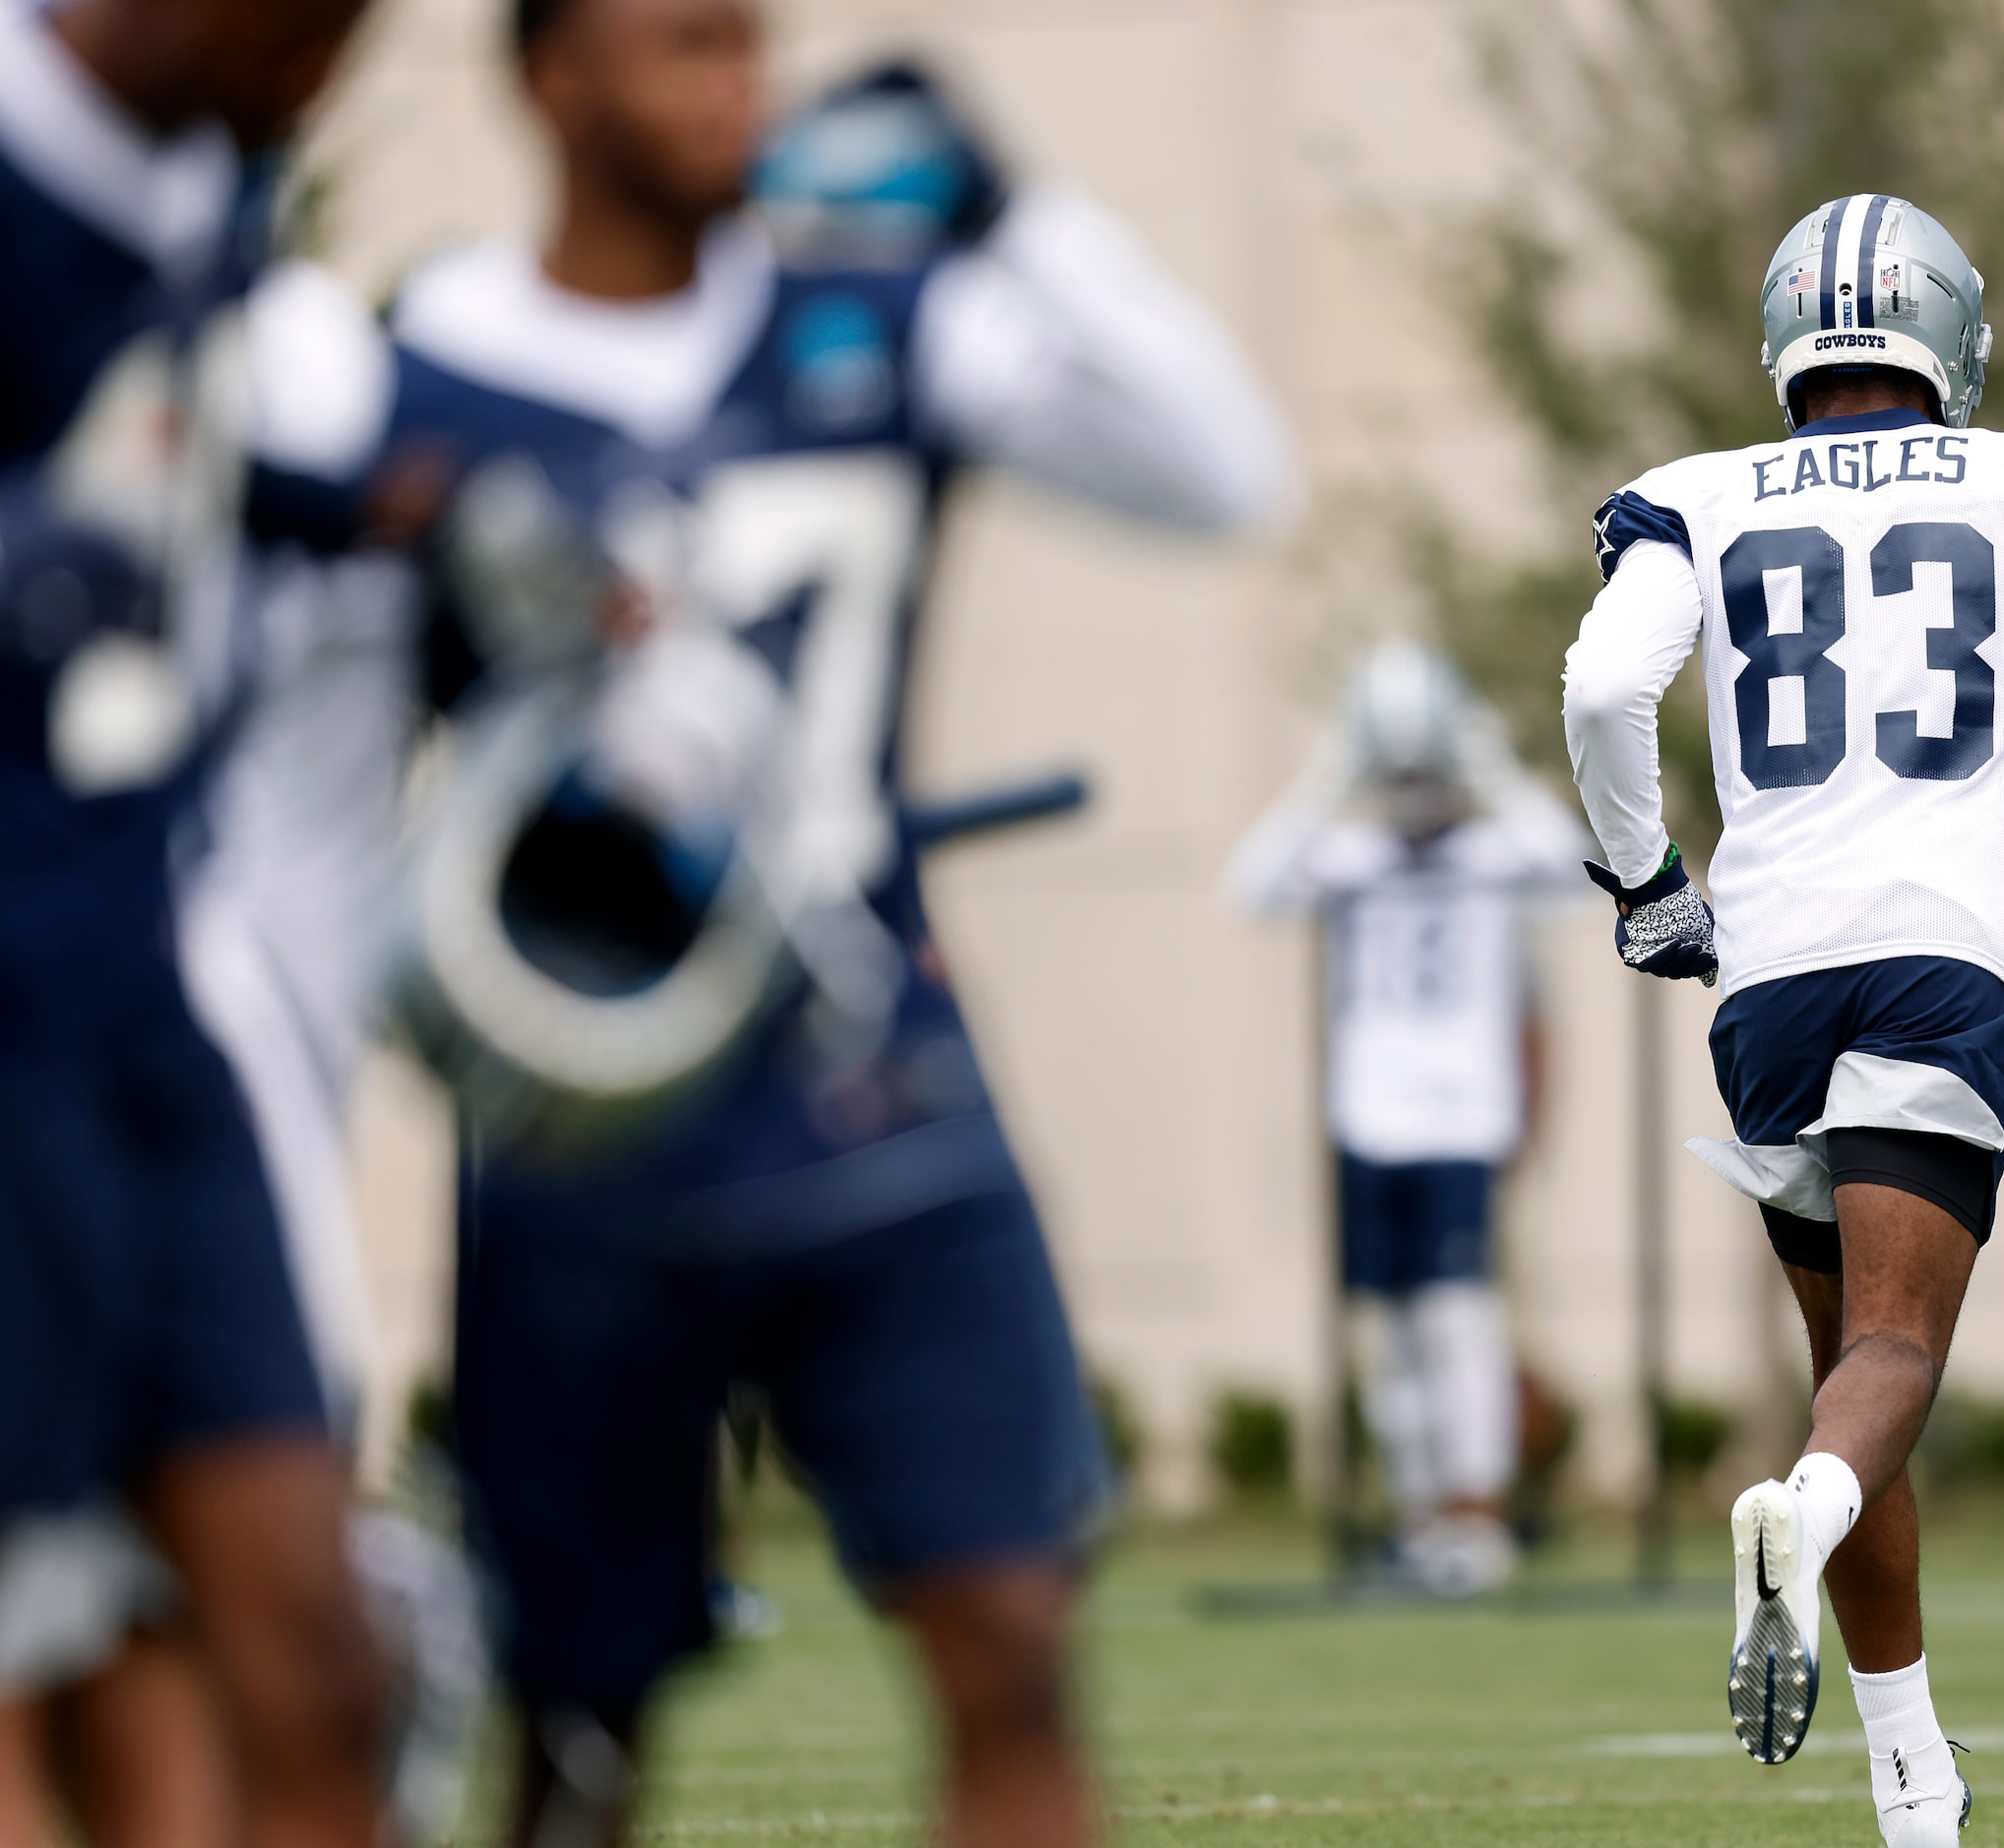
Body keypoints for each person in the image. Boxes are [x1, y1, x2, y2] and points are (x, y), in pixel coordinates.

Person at [256, 4, 1291, 1844]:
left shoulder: (886, 314)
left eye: (749, 42)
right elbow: (330, 808)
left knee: (1010, 1636)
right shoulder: (423, 368)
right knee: (578, 1733)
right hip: (581, 1123)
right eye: (682, 45)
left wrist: (1016, 208)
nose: (739, 87)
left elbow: (1224, 470)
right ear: (551, 75)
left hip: (870, 1079)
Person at [1563, 193, 2004, 1846]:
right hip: (1935, 948)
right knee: (1891, 1368)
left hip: (1764, 971)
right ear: (1948, 330)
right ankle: (1803, 1512)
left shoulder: (1695, 496)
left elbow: (1598, 689)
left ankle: (1911, 1778)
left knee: (1852, 1377)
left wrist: (1645, 883)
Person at [0, 1, 390, 1843]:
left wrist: (419, 516)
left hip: (140, 1004)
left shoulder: (199, 188)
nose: (331, 50)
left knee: (307, 1659)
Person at [1227, 641, 1589, 1597]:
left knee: (1457, 1322)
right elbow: (1251, 885)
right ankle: (1421, 1516)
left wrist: (1491, 763)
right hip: (1366, 1116)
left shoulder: (1494, 853)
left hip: (1462, 1119)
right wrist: (1325, 774)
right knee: (1389, 1328)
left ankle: (1477, 1516)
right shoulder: (1348, 856)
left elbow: (1570, 867)